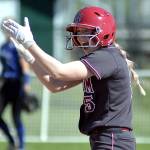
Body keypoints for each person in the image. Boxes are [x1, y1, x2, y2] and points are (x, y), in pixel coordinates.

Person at [1, 6, 146, 150]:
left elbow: (59, 71)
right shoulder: (101, 59)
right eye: (78, 32)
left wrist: (29, 44)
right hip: (106, 139)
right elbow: (54, 84)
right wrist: (30, 59)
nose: (80, 37)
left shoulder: (106, 56)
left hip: (112, 139)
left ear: (104, 32)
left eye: (85, 32)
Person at [0, 28, 31, 150]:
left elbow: (24, 65)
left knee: (16, 117)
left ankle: (21, 147)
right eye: (4, 28)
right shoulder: (3, 46)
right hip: (6, 84)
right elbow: (4, 69)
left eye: (8, 29)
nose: (6, 31)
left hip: (18, 84)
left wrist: (26, 83)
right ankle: (12, 141)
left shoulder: (17, 46)